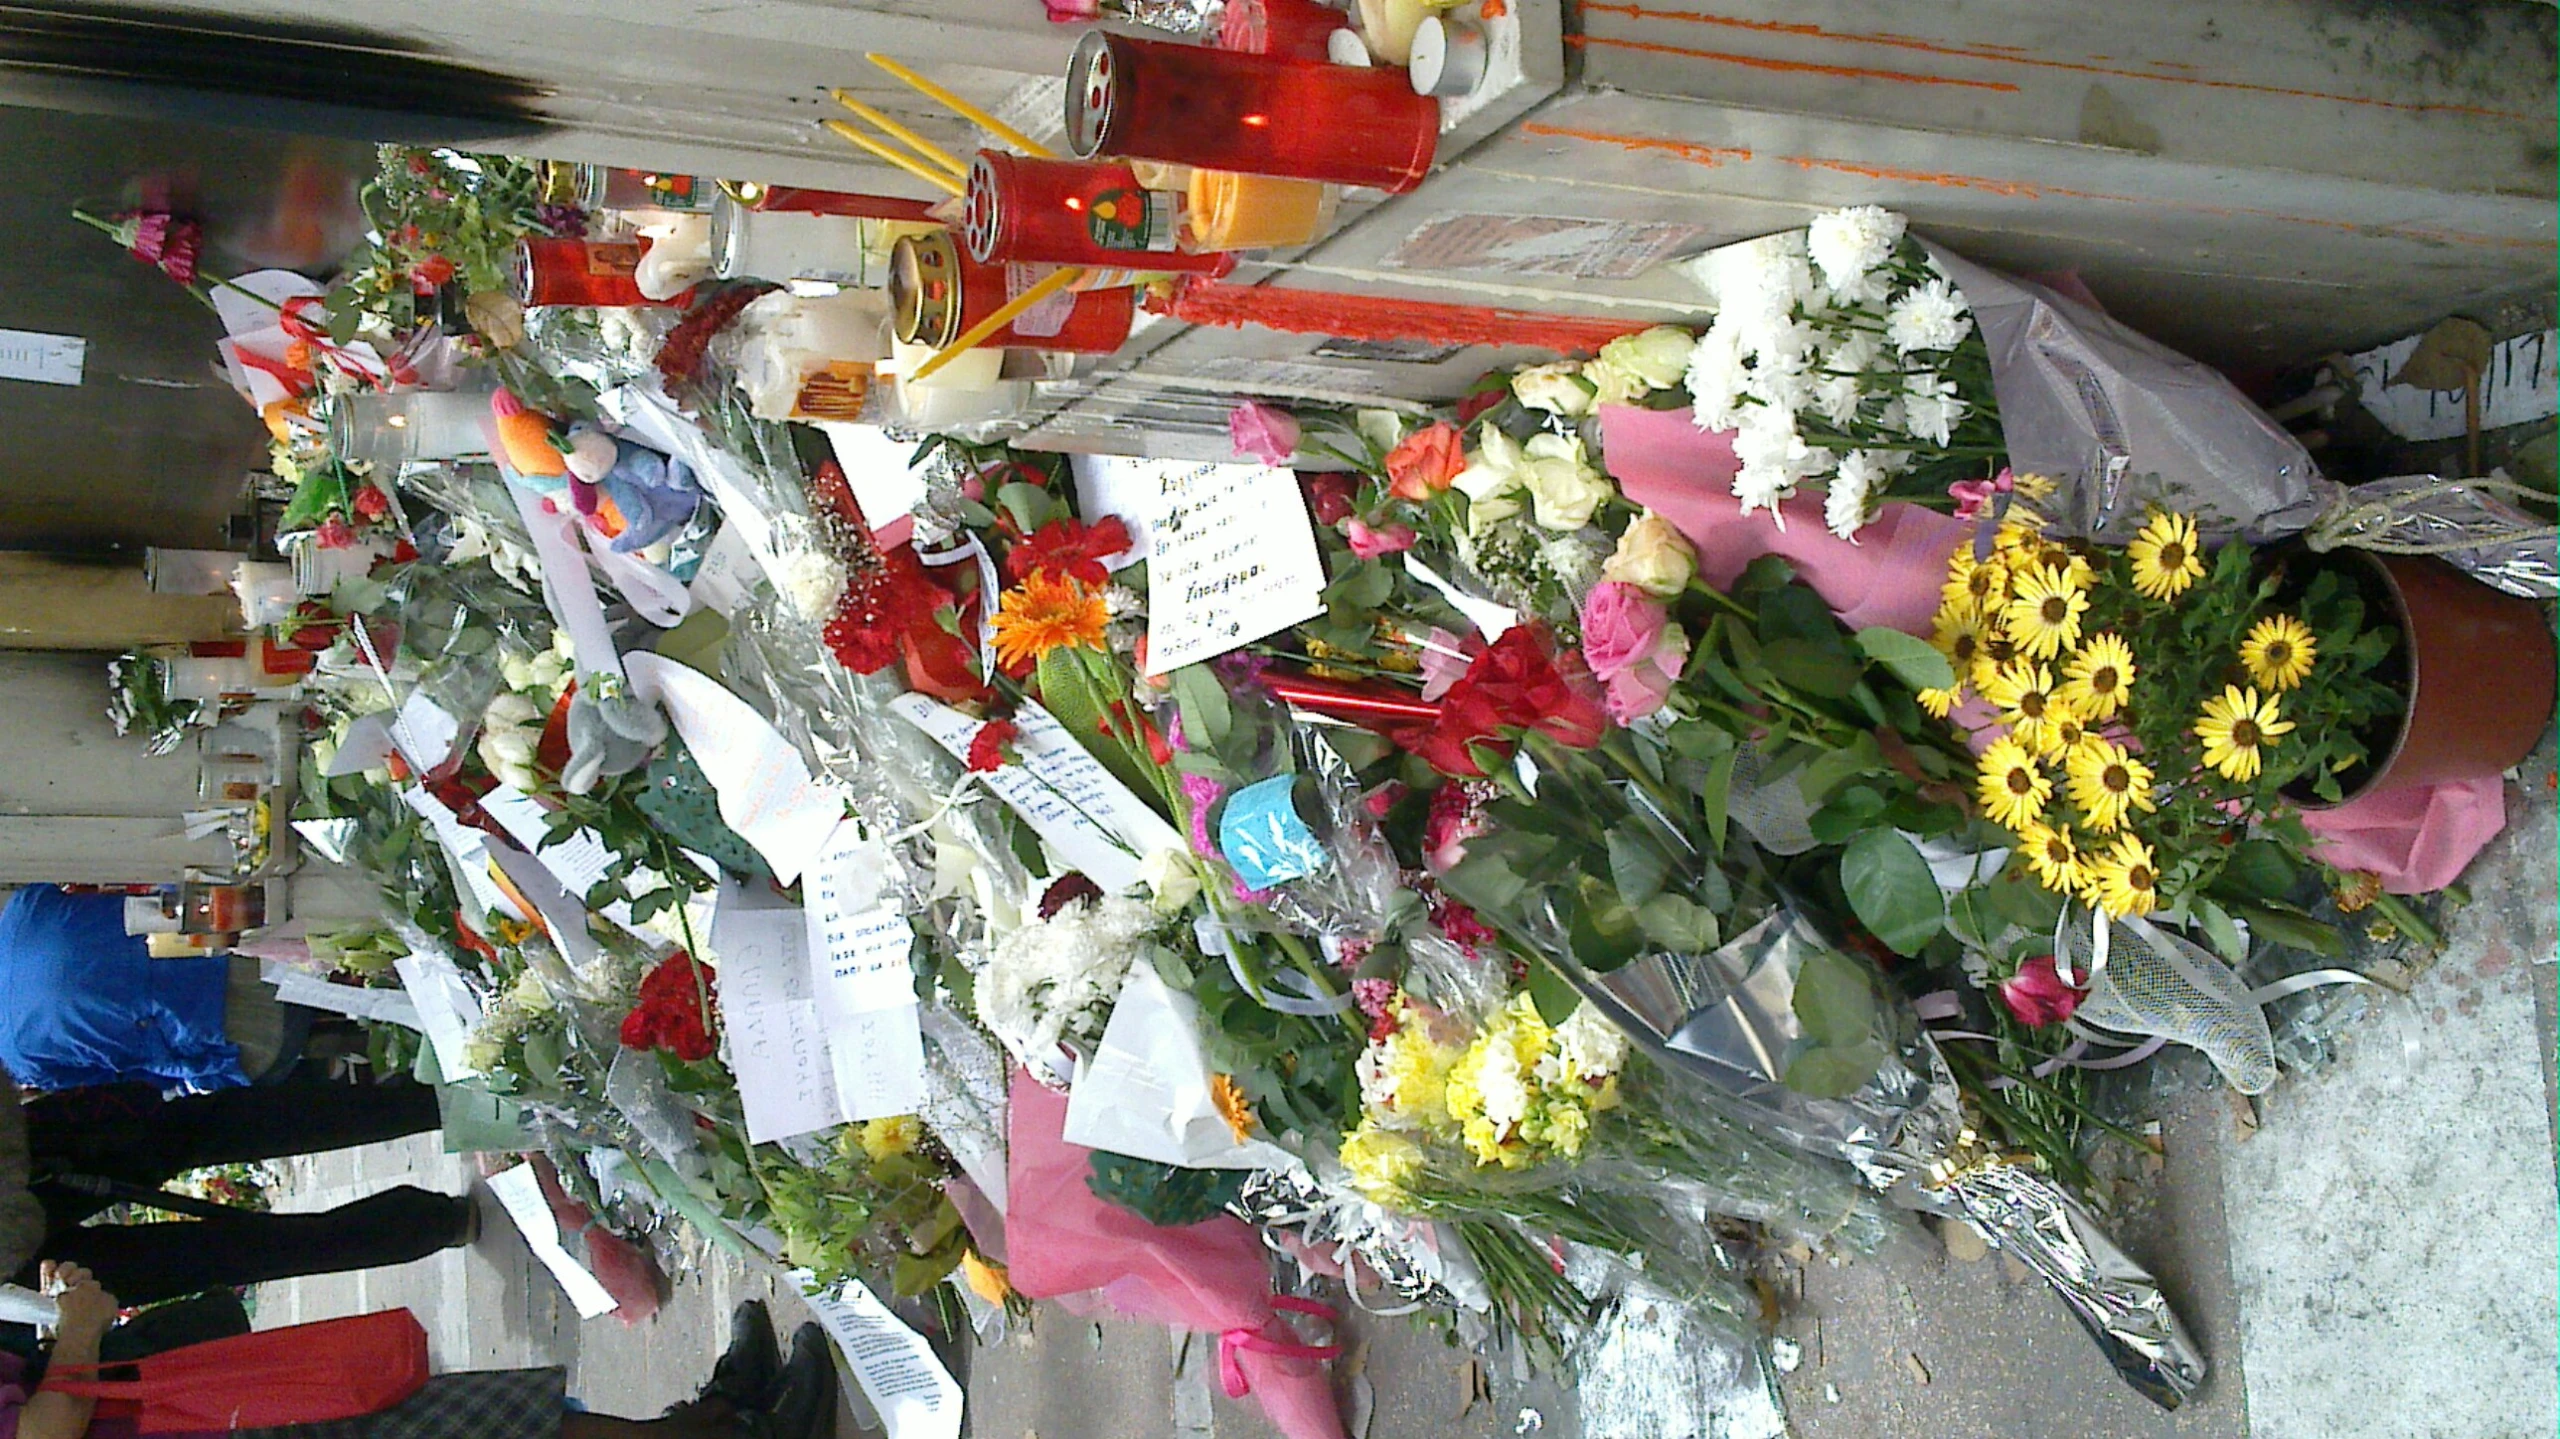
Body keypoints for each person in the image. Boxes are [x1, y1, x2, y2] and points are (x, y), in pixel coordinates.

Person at [1, 1268, 837, 1439]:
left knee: (477, 1414)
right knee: (479, 1427)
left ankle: (709, 1419)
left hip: (181, 1410)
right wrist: (78, 1331)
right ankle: (724, 1436)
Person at [2, 1065, 473, 1307]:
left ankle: (444, 1112)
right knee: (224, 1251)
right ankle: (432, 1213)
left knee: (211, 1135)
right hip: (15, 1265)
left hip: (27, 1155)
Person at [0, 888, 246, 1095]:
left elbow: (129, 1086)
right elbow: (98, 889)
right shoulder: (23, 906)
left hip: (219, 1034)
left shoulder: (19, 1059)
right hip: (222, 928)